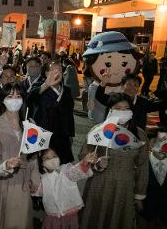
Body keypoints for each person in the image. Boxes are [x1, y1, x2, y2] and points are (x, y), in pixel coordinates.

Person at [79, 93, 149, 229]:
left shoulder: (139, 134)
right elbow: (83, 155)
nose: (122, 112)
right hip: (99, 185)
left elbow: (143, 165)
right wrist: (97, 162)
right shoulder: (98, 131)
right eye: (118, 108)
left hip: (125, 188)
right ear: (110, 110)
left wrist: (140, 194)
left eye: (126, 108)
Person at [0, 83, 40, 229]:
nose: (14, 100)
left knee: (18, 220)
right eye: (10, 96)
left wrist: (35, 177)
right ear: (3, 100)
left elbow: (33, 154)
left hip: (22, 181)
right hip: (0, 179)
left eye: (18, 96)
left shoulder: (29, 123)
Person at [34, 148, 97, 229]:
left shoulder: (66, 169)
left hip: (70, 212)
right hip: (53, 214)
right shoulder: (43, 178)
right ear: (42, 162)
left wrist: (84, 163)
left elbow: (76, 172)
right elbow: (37, 191)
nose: (52, 159)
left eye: (54, 156)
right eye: (47, 158)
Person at [34, 61, 75, 164]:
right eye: (53, 70)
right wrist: (46, 85)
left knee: (63, 163)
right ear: (46, 73)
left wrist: (70, 134)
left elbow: (70, 114)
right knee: (45, 164)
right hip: (45, 133)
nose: (57, 73)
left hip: (62, 134)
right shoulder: (39, 88)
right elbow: (30, 98)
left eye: (59, 70)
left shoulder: (67, 91)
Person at [95, 73, 164, 130]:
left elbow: (160, 105)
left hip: (135, 138)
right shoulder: (115, 98)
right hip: (114, 135)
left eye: (136, 85)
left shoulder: (143, 102)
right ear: (122, 85)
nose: (132, 88)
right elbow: (100, 97)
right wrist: (103, 83)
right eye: (129, 84)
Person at [141, 129, 167, 228]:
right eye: (157, 142)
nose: (162, 147)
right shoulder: (141, 162)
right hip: (145, 211)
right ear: (150, 144)